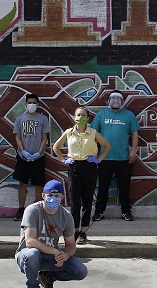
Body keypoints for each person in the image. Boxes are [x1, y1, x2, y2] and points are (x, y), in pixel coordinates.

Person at [15, 179, 88, 288]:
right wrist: (55, 251)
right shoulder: (32, 210)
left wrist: (64, 255)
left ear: (62, 197)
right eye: (49, 196)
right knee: (32, 254)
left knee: (81, 271)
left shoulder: (66, 216)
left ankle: (47, 278)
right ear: (43, 196)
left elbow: (71, 245)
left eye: (56, 196)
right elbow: (30, 241)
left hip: (50, 256)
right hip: (27, 256)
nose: (53, 199)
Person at [52, 107, 111, 244]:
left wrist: (98, 159)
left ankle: (83, 232)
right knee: (74, 202)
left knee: (87, 201)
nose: (80, 117)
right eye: (78, 115)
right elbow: (56, 147)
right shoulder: (69, 133)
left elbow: (107, 146)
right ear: (74, 117)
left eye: (83, 115)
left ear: (88, 118)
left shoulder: (93, 133)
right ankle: (75, 230)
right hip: (74, 167)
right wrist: (63, 159)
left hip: (89, 166)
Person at [91, 90, 140, 222]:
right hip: (104, 158)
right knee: (103, 186)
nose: (115, 101)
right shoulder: (101, 114)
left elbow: (135, 134)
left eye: (118, 99)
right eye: (113, 98)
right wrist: (94, 151)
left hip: (123, 158)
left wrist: (133, 151)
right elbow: (93, 133)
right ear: (108, 100)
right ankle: (99, 212)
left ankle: (126, 211)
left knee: (124, 187)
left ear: (122, 101)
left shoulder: (128, 115)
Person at [12, 93, 51, 220]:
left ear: (38, 104)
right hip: (23, 157)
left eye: (34, 102)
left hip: (38, 157)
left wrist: (39, 153)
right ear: (25, 104)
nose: (32, 105)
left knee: (38, 184)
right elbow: (17, 136)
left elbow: (45, 137)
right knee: (22, 183)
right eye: (29, 102)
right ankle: (21, 209)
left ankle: (38, 209)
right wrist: (22, 151)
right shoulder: (19, 119)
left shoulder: (43, 119)